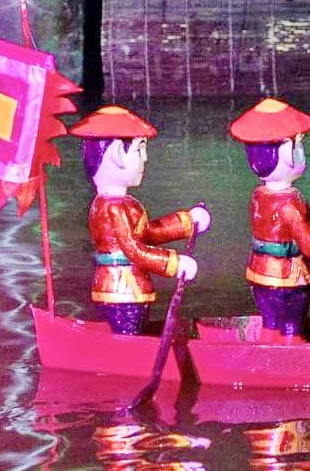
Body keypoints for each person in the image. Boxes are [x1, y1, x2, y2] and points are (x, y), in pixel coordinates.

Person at [68, 105, 211, 335]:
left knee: (136, 329)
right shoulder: (112, 207)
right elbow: (134, 250)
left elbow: (149, 233)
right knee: (129, 334)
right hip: (122, 288)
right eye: (139, 150)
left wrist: (187, 222)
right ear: (116, 155)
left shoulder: (123, 203)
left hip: (131, 287)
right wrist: (174, 264)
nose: (145, 159)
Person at [229, 98, 310, 343]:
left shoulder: (259, 195)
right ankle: (292, 355)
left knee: (270, 326)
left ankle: (267, 353)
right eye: (296, 147)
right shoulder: (288, 202)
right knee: (292, 329)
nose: (302, 154)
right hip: (288, 276)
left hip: (259, 273)